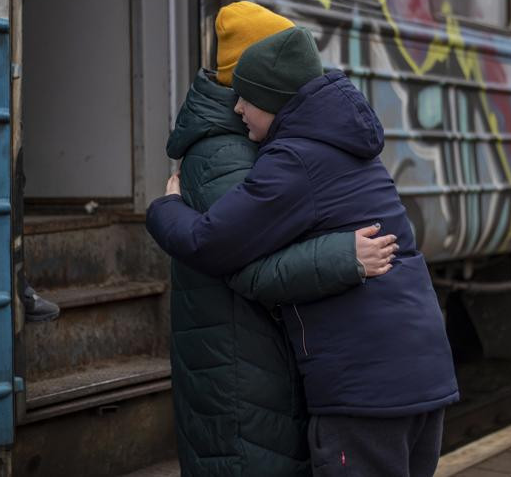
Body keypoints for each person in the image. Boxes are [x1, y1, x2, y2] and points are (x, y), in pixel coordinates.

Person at [148, 25, 459, 476]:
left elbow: (211, 242)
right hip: (420, 371)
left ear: (273, 101)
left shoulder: (293, 161)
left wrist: (166, 207)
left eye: (246, 99)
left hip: (364, 388)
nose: (237, 108)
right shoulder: (349, 144)